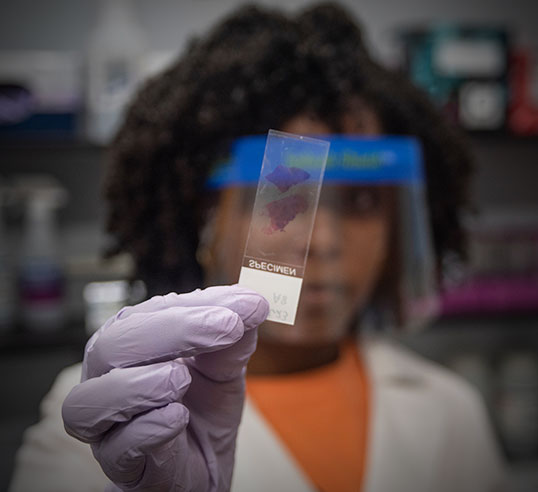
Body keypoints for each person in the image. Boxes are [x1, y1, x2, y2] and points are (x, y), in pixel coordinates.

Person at [10, 3, 507, 492]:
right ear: (206, 215)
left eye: (359, 201)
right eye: (283, 191)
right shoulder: (100, 415)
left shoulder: (452, 409)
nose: (324, 242)